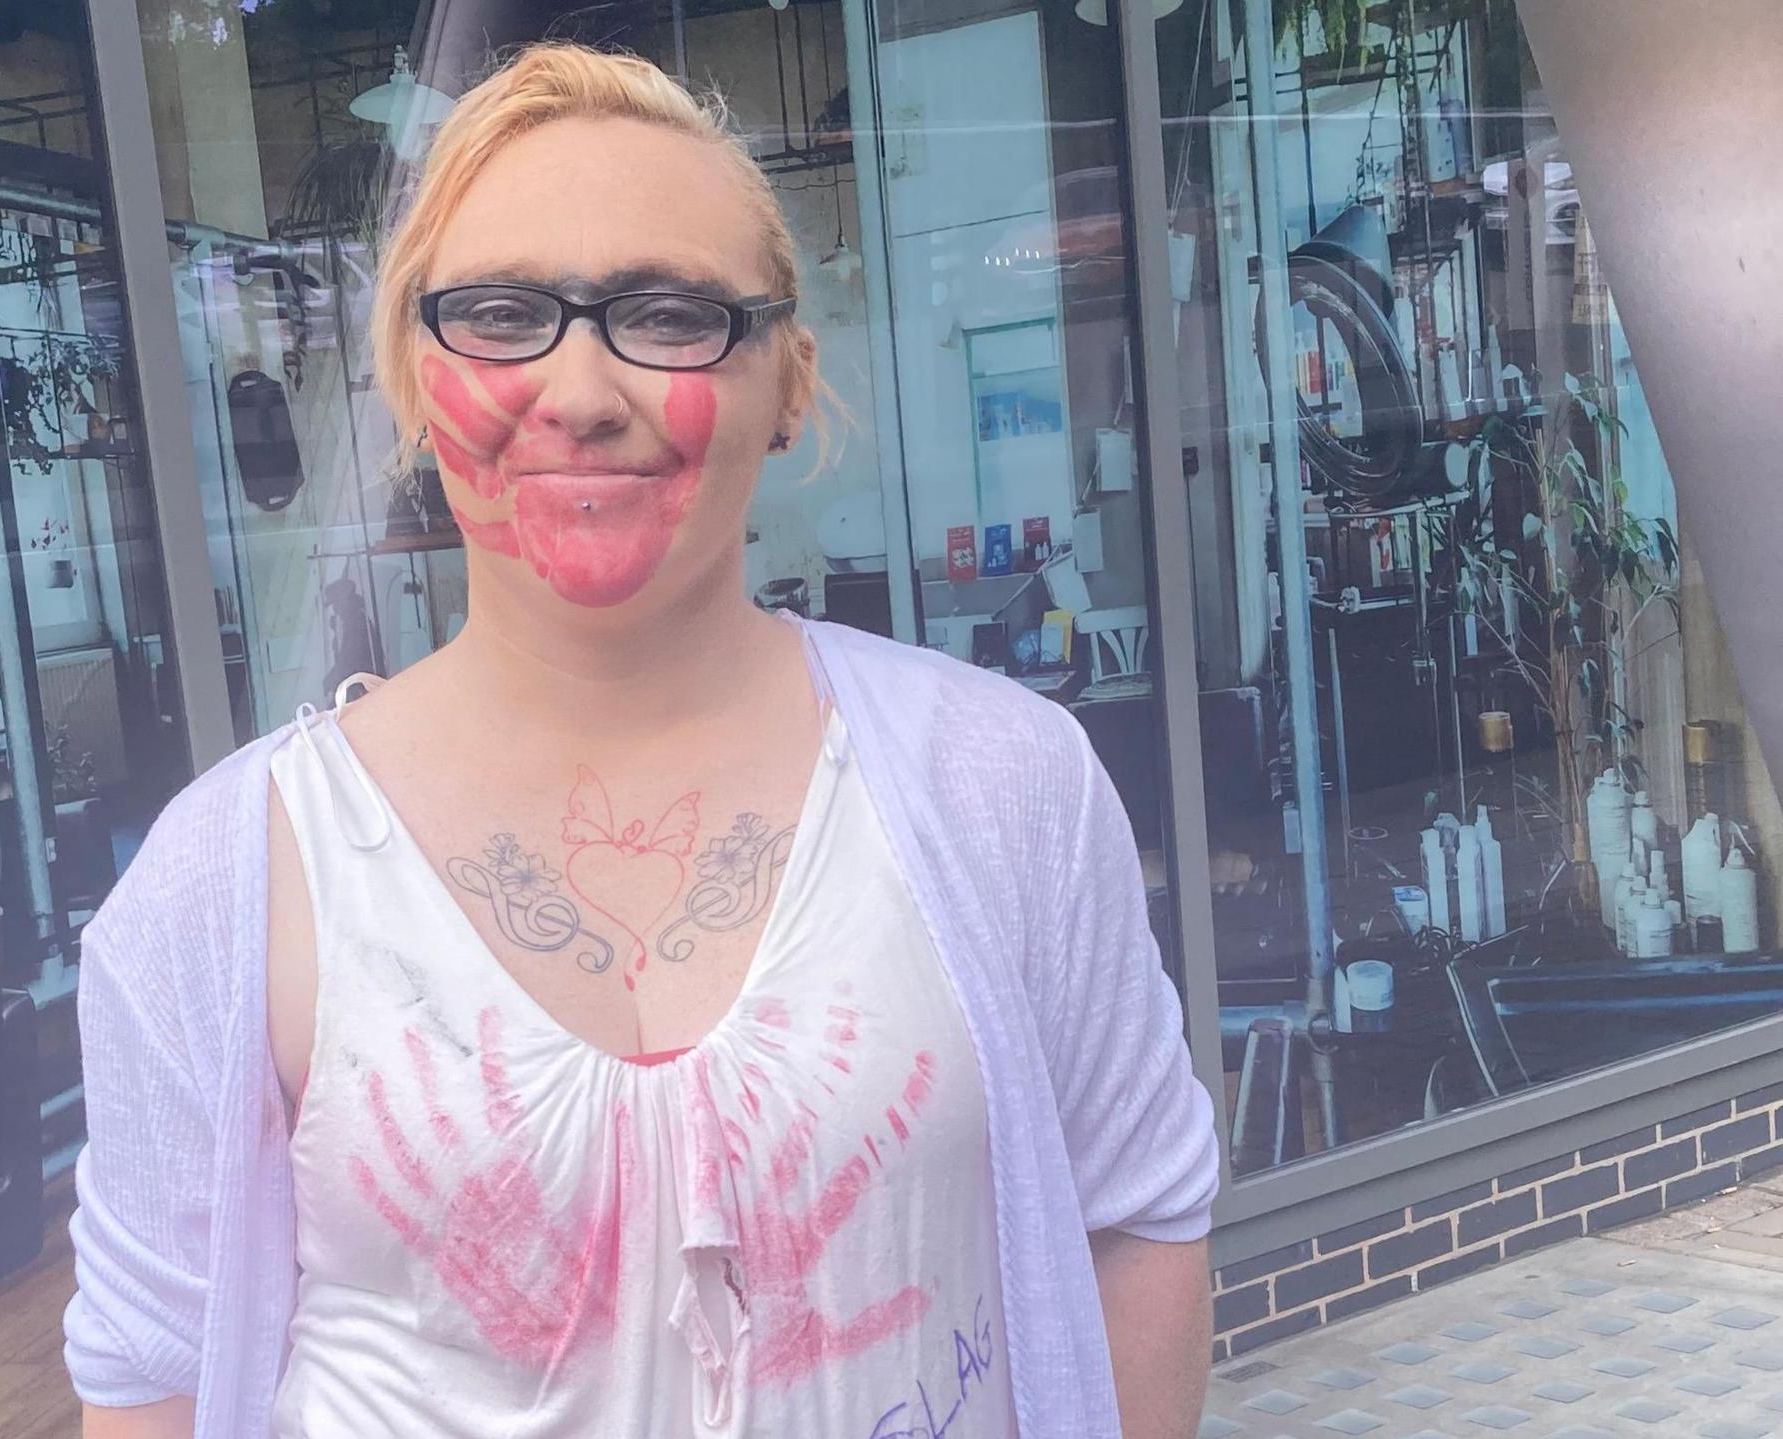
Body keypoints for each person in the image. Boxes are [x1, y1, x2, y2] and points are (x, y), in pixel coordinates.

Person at [65, 41, 1217, 1439]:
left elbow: (1137, 1216)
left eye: (670, 313)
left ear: (789, 381)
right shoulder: (229, 882)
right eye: (498, 313)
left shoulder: (1003, 785)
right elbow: (152, 1376)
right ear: (417, 382)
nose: (581, 389)